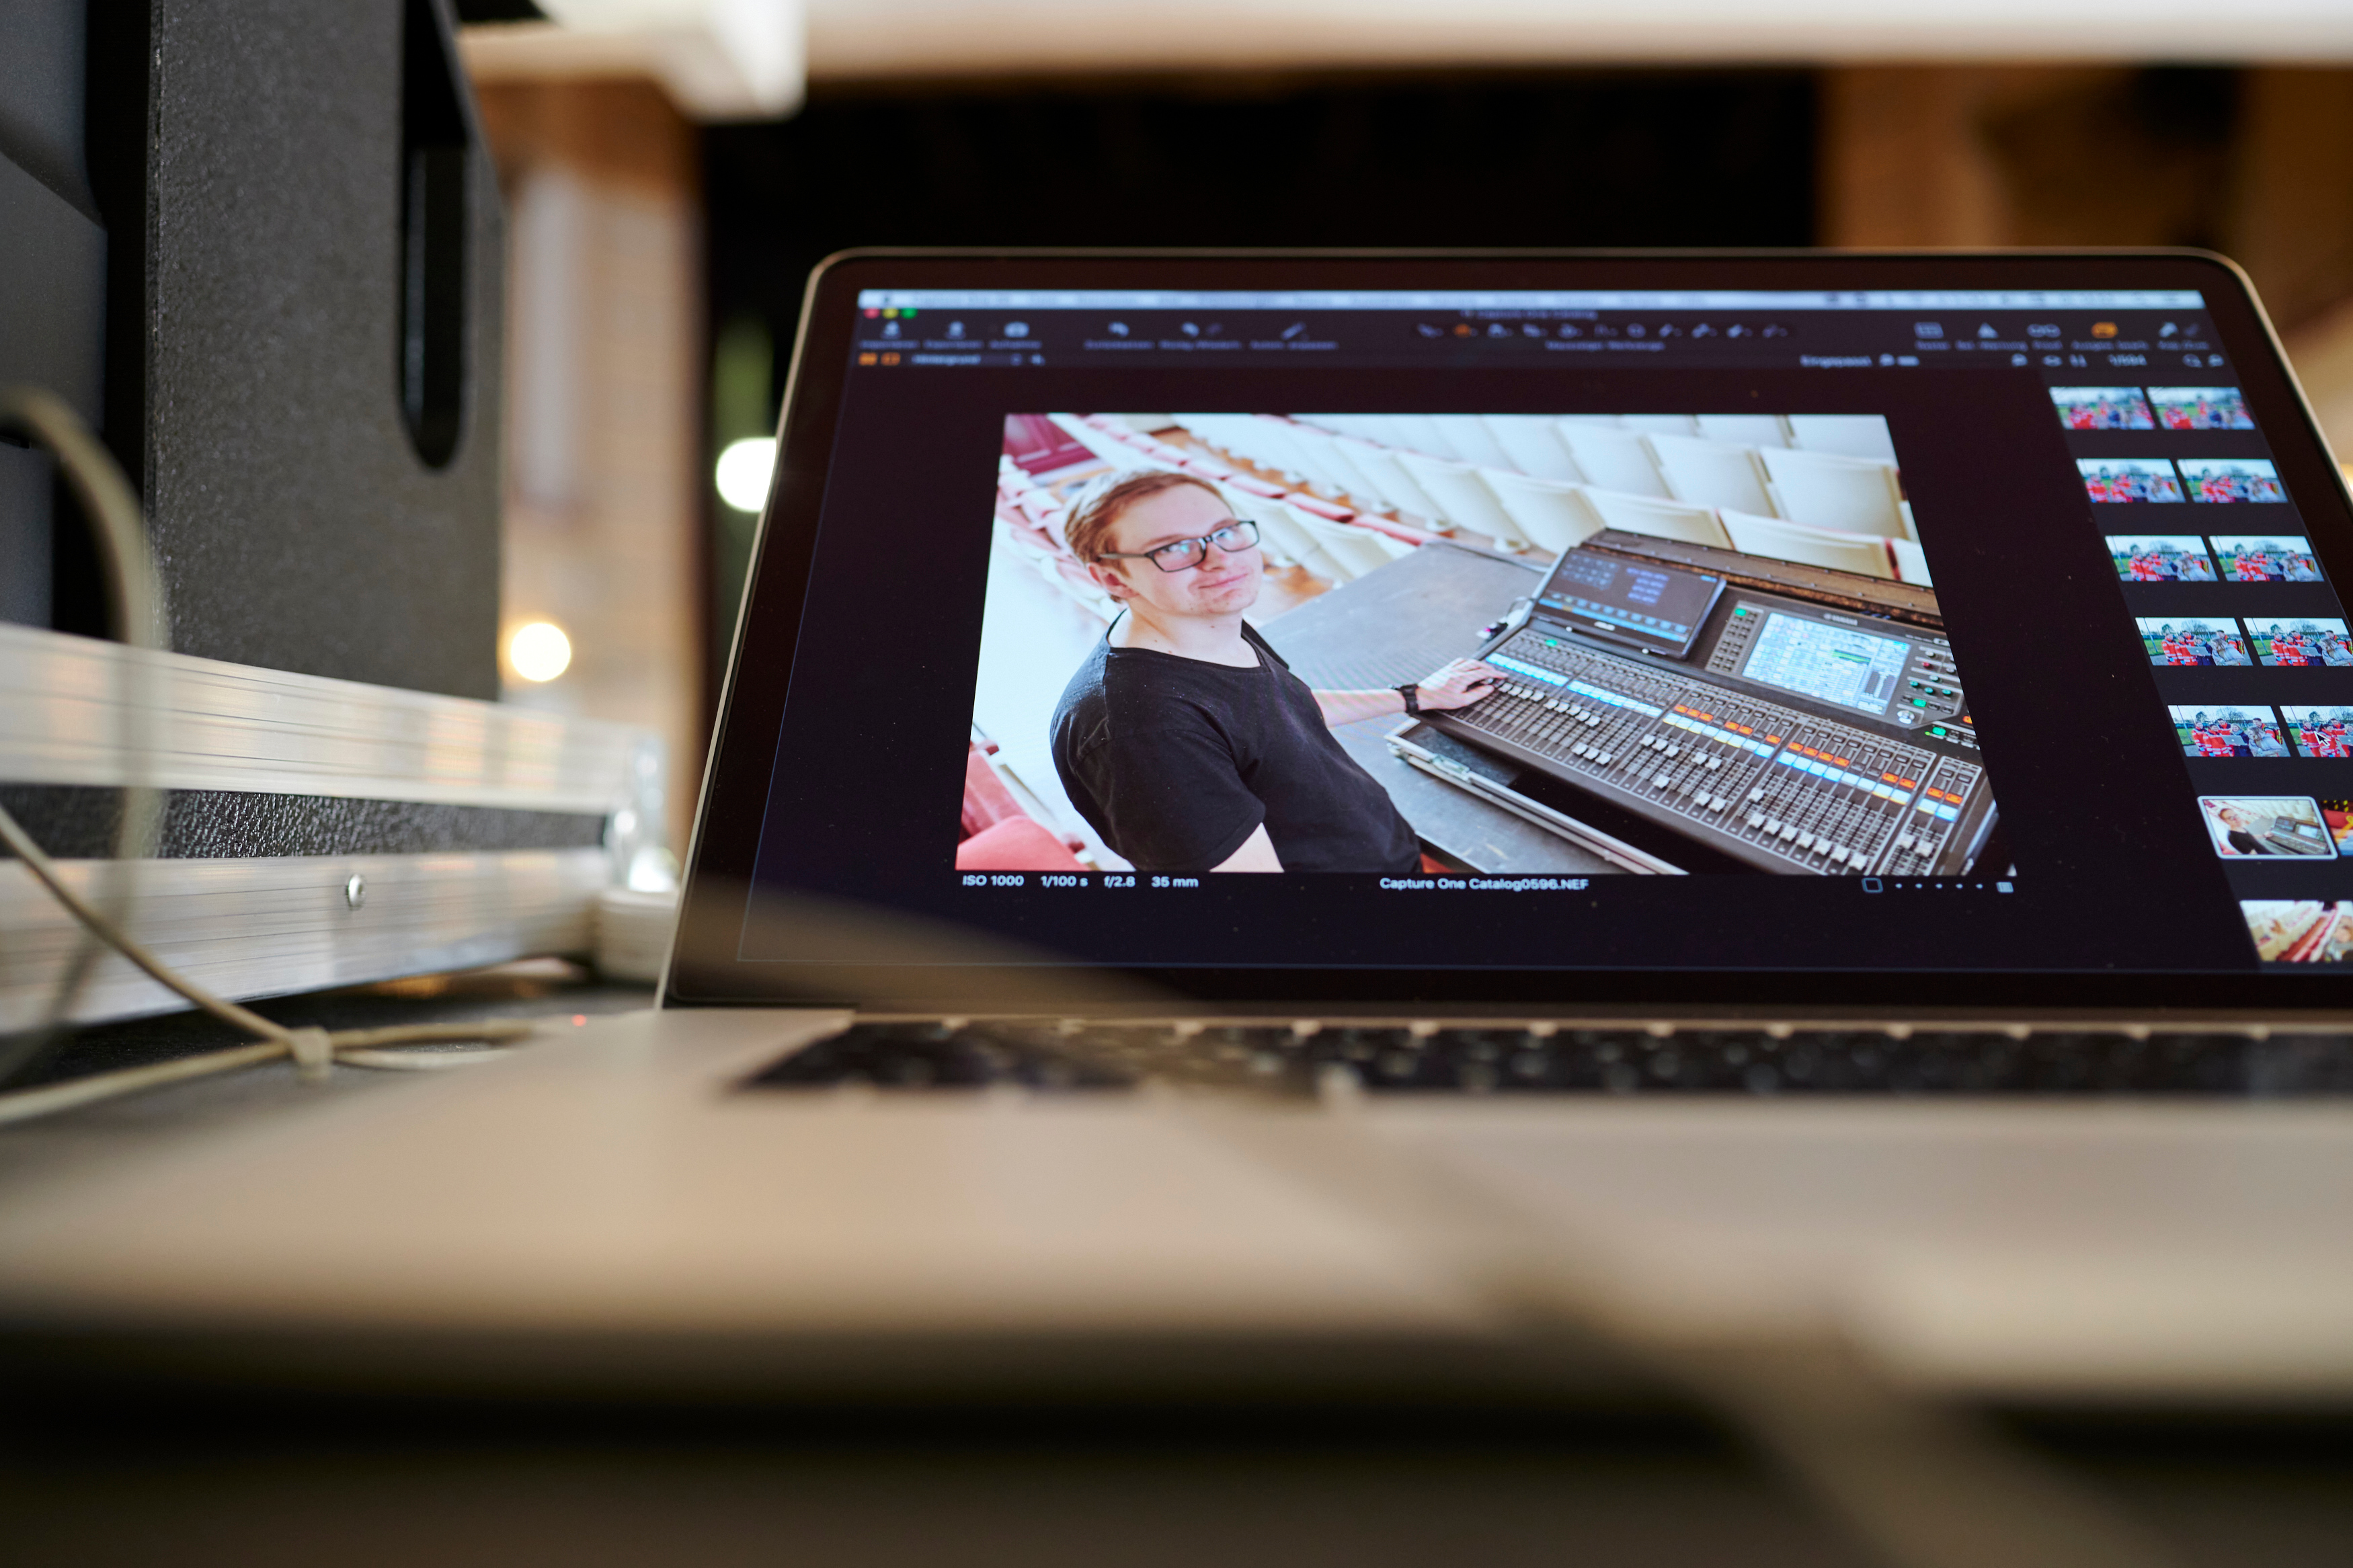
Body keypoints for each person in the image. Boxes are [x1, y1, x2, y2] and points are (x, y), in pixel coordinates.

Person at [1049, 470, 1503, 874]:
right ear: (1113, 578)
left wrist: (1416, 696)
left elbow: (1278, 711)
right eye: (1174, 548)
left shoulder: (1204, 618)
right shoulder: (1141, 732)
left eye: (1224, 531)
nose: (1219, 558)